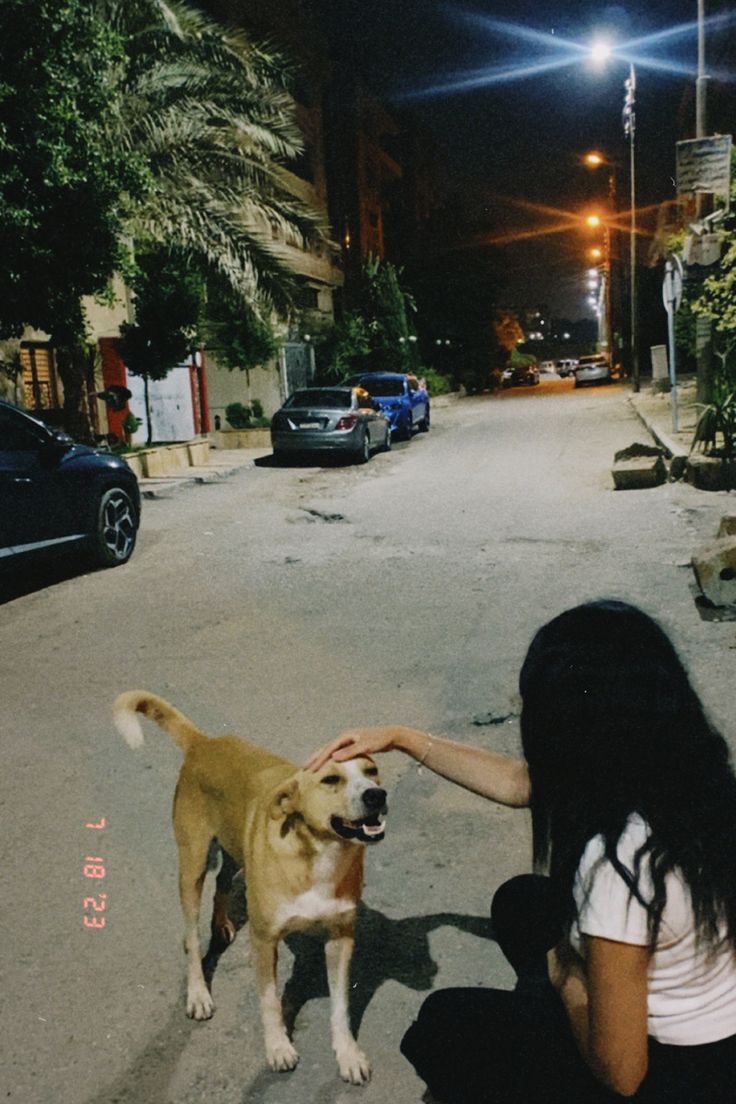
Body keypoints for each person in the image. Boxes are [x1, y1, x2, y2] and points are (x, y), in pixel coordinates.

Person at [306, 600, 736, 1102]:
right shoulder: (694, 782)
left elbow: (623, 1072)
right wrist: (402, 738)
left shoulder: (621, 868)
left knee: (443, 1023)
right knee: (523, 902)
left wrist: (566, 971)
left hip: (674, 1076)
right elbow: (520, 783)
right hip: (716, 1033)